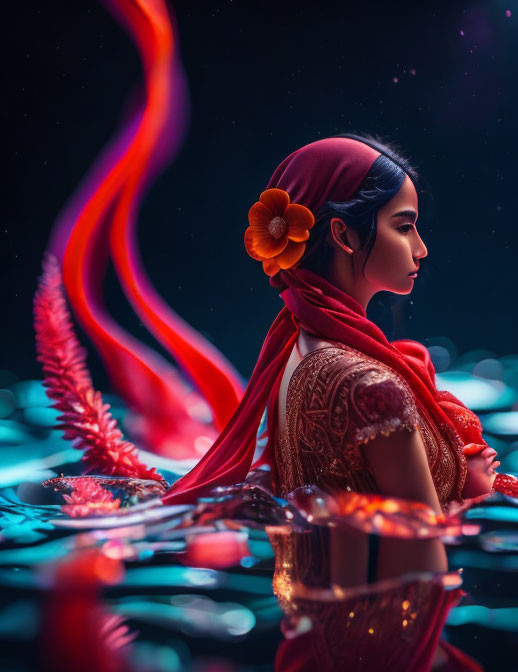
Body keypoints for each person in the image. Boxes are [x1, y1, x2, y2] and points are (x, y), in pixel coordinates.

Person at [163, 134, 497, 670]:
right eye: (405, 226)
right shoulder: (369, 386)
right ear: (342, 234)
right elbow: (424, 567)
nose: (421, 248)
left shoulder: (297, 351)